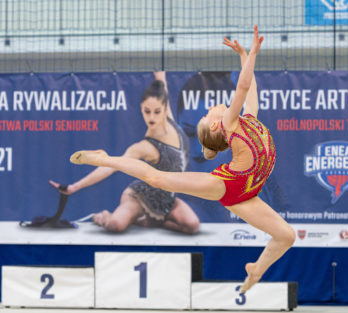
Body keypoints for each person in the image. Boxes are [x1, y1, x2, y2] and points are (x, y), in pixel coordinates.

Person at [69, 26, 295, 293]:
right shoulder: (230, 124)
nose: (211, 107)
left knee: (286, 236)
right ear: (216, 127)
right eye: (208, 114)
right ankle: (105, 159)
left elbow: (251, 86)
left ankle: (256, 269)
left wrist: (244, 55)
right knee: (157, 178)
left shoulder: (248, 119)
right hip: (231, 187)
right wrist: (253, 53)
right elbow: (243, 86)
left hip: (250, 190)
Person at [50, 72, 199, 234]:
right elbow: (111, 166)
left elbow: (164, 89)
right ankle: (104, 216)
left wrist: (160, 75)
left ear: (164, 108)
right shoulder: (144, 146)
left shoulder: (169, 120)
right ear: (141, 110)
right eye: (146, 111)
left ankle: (152, 222)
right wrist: (74, 187)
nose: (151, 117)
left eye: (157, 111)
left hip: (167, 200)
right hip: (141, 198)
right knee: (115, 225)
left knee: (192, 226)